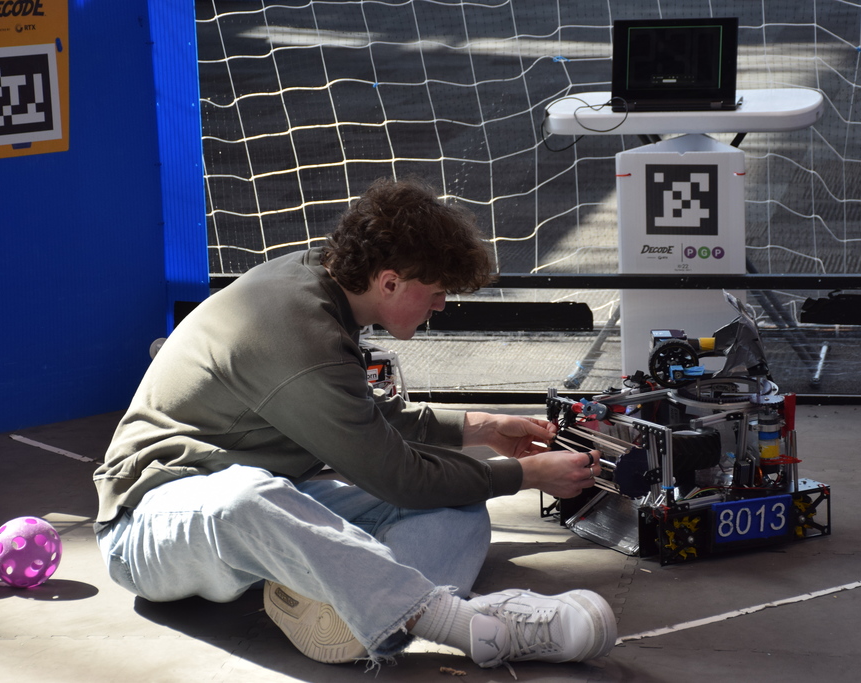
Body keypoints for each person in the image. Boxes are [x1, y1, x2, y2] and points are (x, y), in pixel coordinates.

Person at [92, 177, 615, 671]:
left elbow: (359, 415)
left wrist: (479, 427)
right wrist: (524, 476)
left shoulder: (318, 285)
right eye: (435, 292)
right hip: (152, 526)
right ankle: (474, 627)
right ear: (389, 281)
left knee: (456, 499)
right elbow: (396, 477)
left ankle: (350, 604)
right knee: (243, 497)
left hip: (272, 511)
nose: (441, 305)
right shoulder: (298, 330)